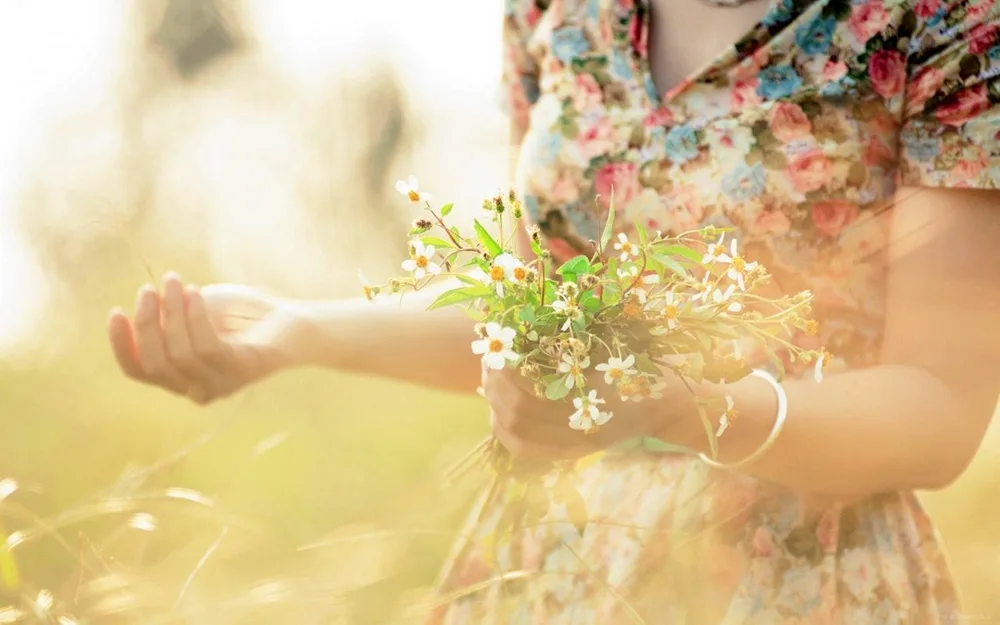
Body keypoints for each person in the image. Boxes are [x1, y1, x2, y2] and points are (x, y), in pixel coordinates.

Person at [108, 0, 1000, 621]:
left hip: (803, 576)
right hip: (557, 568)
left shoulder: (948, 19)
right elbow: (543, 330)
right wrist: (296, 327)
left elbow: (940, 411)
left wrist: (682, 405)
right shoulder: (555, 10)